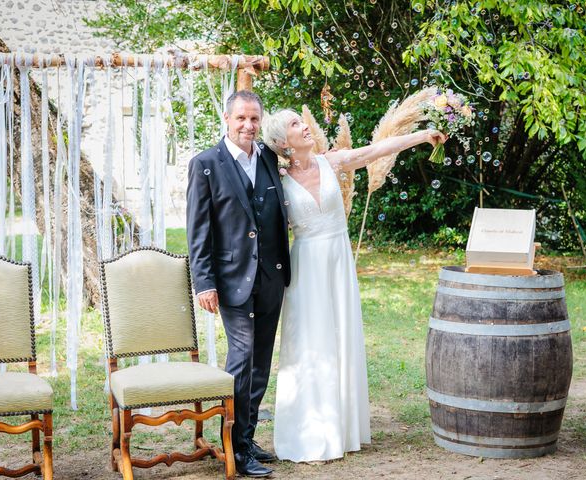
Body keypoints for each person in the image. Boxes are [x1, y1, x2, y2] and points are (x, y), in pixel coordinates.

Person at [261, 109, 446, 463]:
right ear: (284, 144)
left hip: (337, 261)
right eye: (296, 125)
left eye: (302, 122)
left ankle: (342, 426)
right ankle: (309, 429)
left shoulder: (331, 163)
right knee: (308, 341)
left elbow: (374, 151)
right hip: (306, 268)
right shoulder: (277, 181)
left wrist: (421, 137)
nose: (305, 127)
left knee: (339, 334)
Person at [186, 91, 290, 478]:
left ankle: (247, 436)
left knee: (261, 361)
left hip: (271, 276)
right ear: (227, 118)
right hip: (230, 281)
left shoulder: (267, 157)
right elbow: (199, 231)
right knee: (241, 360)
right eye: (241, 118)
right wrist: (204, 283)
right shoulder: (206, 164)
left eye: (254, 119)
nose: (248, 126)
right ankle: (235, 447)